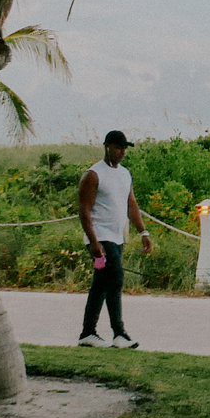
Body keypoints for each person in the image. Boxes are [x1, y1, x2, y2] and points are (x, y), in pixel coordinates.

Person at [76, 130, 151, 349]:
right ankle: (119, 333)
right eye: (119, 148)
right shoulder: (93, 175)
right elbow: (84, 210)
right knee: (116, 278)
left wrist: (143, 232)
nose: (122, 152)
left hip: (118, 237)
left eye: (125, 148)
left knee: (100, 285)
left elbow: (131, 205)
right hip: (101, 238)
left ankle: (87, 333)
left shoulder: (124, 174)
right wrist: (93, 241)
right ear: (107, 146)